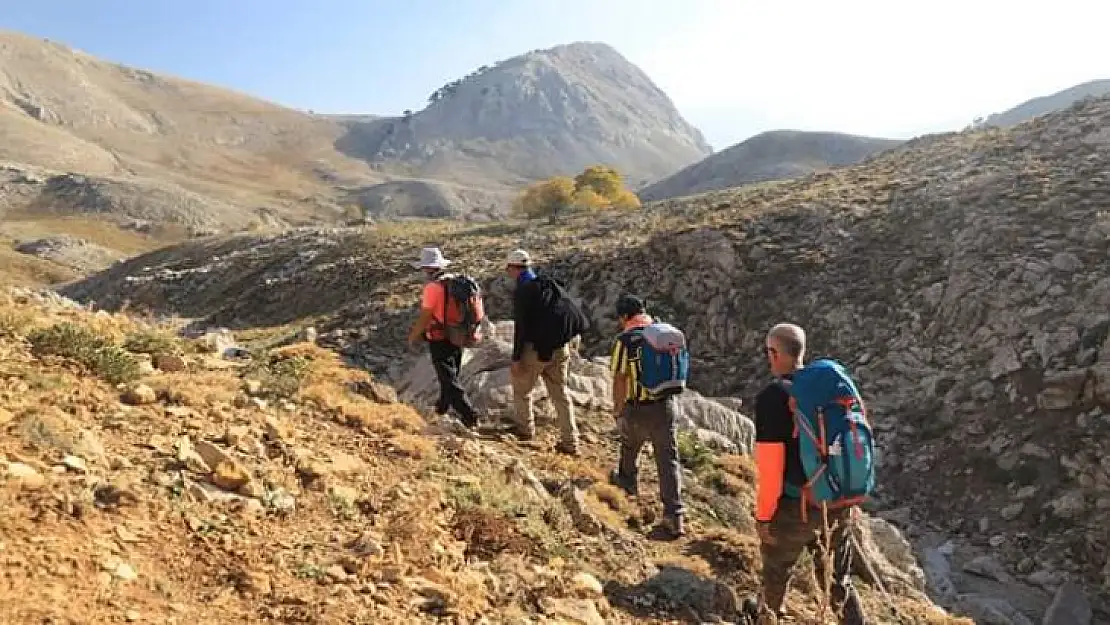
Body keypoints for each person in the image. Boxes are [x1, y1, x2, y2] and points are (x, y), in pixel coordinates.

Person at [754, 322, 869, 624]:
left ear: (774, 353)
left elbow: (770, 465)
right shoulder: (826, 391)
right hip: (838, 503)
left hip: (795, 506)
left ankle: (768, 617)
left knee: (775, 576)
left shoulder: (772, 396)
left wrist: (764, 517)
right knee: (838, 584)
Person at [607, 294, 686, 538]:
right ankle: (674, 516)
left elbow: (620, 378)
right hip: (665, 406)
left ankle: (627, 485)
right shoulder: (662, 335)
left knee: (630, 446)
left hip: (637, 407)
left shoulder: (626, 340)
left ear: (623, 317)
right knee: (668, 460)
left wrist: (618, 408)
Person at [505, 249, 587, 455]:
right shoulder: (548, 283)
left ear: (515, 268)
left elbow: (521, 328)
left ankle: (525, 430)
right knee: (560, 393)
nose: (507, 272)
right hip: (560, 348)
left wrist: (516, 358)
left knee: (522, 390)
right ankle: (571, 442)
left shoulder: (524, 291)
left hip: (535, 351)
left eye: (508, 268)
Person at [405, 247, 478, 428]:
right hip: (457, 334)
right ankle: (441, 409)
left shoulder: (433, 288)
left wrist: (413, 336)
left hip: (439, 337)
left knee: (448, 378)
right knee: (451, 375)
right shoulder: (455, 282)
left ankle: (470, 415)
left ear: (427, 268)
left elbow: (425, 316)